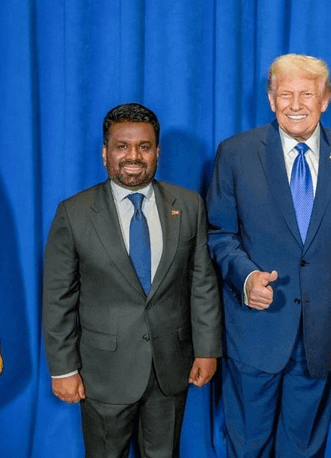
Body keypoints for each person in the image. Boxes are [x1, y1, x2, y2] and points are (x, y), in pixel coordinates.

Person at [207, 53, 331, 457]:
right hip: (254, 331)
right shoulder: (235, 153)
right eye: (285, 94)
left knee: (303, 449)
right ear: (271, 99)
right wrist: (247, 277)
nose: (295, 104)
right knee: (247, 446)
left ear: (326, 99)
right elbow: (219, 233)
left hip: (323, 335)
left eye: (307, 94)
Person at [43, 103, 222, 457]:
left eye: (144, 146)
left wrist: (207, 349)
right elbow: (58, 298)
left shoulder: (189, 205)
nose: (133, 156)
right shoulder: (74, 213)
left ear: (157, 152)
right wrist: (63, 369)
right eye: (122, 146)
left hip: (170, 369)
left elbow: (202, 283)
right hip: (103, 374)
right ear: (105, 153)